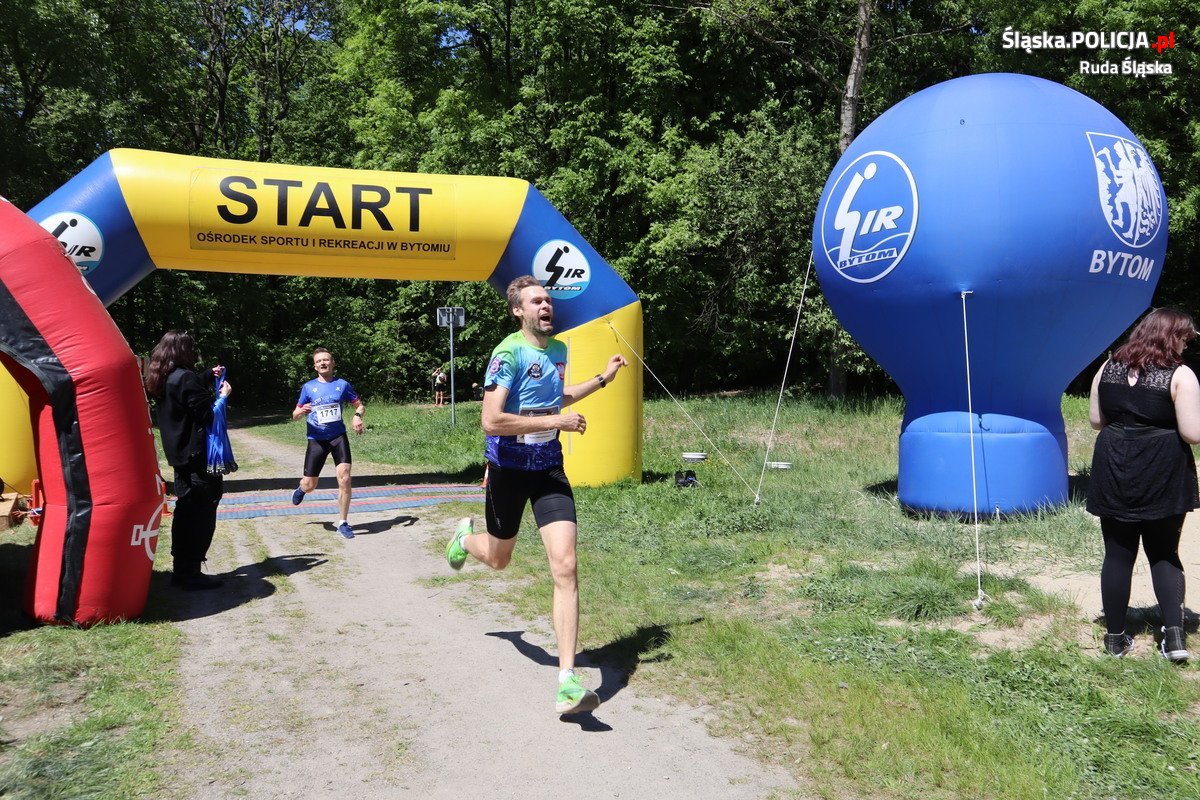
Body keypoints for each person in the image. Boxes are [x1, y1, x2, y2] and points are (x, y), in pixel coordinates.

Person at [445, 275, 628, 715]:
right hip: (507, 472)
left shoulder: (559, 350)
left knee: (566, 565)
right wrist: (556, 423)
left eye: (548, 300)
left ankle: (567, 681)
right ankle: (465, 539)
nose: (546, 306)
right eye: (536, 301)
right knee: (499, 559)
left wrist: (603, 379)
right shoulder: (508, 353)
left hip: (548, 470)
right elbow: (491, 420)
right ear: (518, 311)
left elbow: (558, 397)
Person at [1087, 308, 1199, 663]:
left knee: (1117, 554)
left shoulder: (1107, 368)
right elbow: (1192, 433)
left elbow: (1096, 420)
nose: (1186, 345)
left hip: (1114, 464)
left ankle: (1115, 639)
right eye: (1185, 338)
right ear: (1171, 336)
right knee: (1164, 552)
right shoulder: (1180, 375)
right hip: (1161, 467)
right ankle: (1175, 639)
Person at [145, 330, 231, 590]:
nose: (195, 353)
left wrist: (207, 376)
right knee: (203, 510)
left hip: (179, 455)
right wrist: (223, 396)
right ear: (183, 350)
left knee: (185, 510)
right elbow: (207, 415)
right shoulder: (185, 378)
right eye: (192, 348)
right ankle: (191, 572)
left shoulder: (163, 378)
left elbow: (186, 395)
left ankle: (181, 569)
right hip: (198, 456)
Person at [289, 347, 365, 540]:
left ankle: (343, 523)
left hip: (338, 437)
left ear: (333, 363)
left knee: (345, 478)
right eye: (319, 361)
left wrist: (357, 416)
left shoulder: (342, 384)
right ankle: (302, 489)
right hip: (316, 439)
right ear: (315, 366)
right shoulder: (308, 387)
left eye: (326, 360)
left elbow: (360, 405)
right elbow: (295, 415)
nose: (323, 363)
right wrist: (301, 411)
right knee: (310, 485)